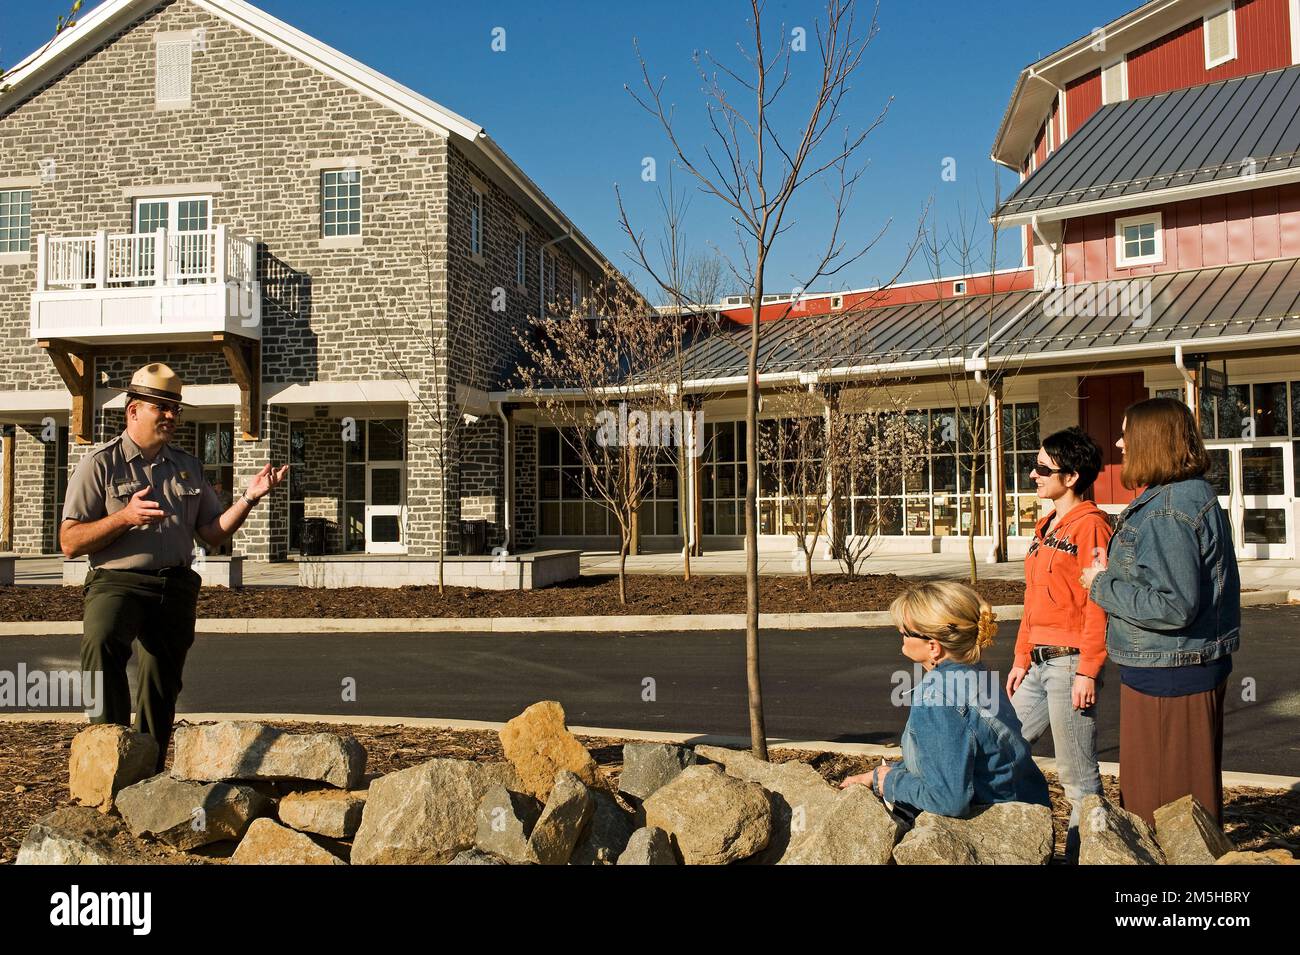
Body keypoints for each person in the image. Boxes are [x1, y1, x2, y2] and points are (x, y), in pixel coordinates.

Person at [60, 363, 289, 772]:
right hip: (118, 582)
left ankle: (146, 771)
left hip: (175, 586)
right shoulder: (99, 463)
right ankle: (106, 757)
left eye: (175, 409)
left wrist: (250, 498)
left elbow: (211, 534)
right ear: (133, 411)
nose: (170, 416)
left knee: (161, 685)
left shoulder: (188, 466)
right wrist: (124, 518)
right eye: (161, 407)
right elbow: (70, 541)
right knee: (100, 645)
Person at [1080, 397, 1239, 828]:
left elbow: (1173, 605)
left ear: (1151, 441)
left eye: (1127, 433)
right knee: (1180, 803)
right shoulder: (1185, 496)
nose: (1119, 442)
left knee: (1162, 810)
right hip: (1176, 668)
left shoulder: (1168, 509)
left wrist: (1101, 583)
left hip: (1170, 675)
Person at [841, 581, 1050, 819]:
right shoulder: (978, 673)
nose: (900, 632)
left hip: (998, 826)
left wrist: (886, 780)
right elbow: (953, 761)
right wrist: (878, 774)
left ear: (933, 647)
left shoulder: (937, 698)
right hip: (1026, 805)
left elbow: (946, 799)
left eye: (905, 631)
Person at [1007, 426, 1111, 858]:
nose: (1032, 475)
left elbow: (1098, 603)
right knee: (1001, 744)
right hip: (1038, 663)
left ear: (1071, 477)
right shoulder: (1047, 525)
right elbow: (1033, 600)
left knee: (1078, 779)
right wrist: (1020, 658)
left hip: (1070, 665)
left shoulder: (1092, 528)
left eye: (1041, 468)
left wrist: (1089, 668)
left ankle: (1087, 855)